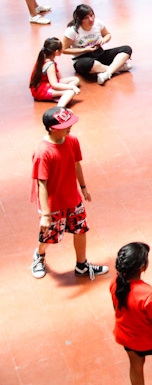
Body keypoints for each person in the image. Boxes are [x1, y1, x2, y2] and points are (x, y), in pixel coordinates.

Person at [30, 106, 109, 280]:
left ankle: (81, 265)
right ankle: (39, 255)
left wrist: (83, 188)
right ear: (52, 128)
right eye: (65, 125)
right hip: (52, 204)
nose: (70, 127)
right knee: (49, 236)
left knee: (81, 230)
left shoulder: (72, 140)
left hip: (73, 198)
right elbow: (41, 184)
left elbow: (76, 164)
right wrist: (45, 214)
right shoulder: (43, 152)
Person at [111, 242, 152, 385]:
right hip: (146, 341)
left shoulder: (115, 282)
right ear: (142, 267)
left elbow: (116, 307)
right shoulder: (148, 294)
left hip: (125, 337)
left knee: (136, 366)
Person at [61, 4, 134, 85]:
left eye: (92, 15)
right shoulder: (72, 31)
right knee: (88, 64)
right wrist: (85, 49)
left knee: (127, 49)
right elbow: (64, 50)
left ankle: (107, 73)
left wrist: (103, 40)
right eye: (86, 18)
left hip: (99, 54)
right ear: (79, 19)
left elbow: (107, 35)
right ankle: (118, 68)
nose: (91, 19)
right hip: (82, 58)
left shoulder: (97, 23)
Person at [30, 38, 81, 107]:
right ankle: (59, 108)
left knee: (75, 79)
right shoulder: (50, 64)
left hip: (45, 84)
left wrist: (65, 86)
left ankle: (58, 96)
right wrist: (71, 87)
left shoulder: (43, 58)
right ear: (56, 52)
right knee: (70, 92)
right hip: (41, 90)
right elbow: (54, 84)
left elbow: (59, 77)